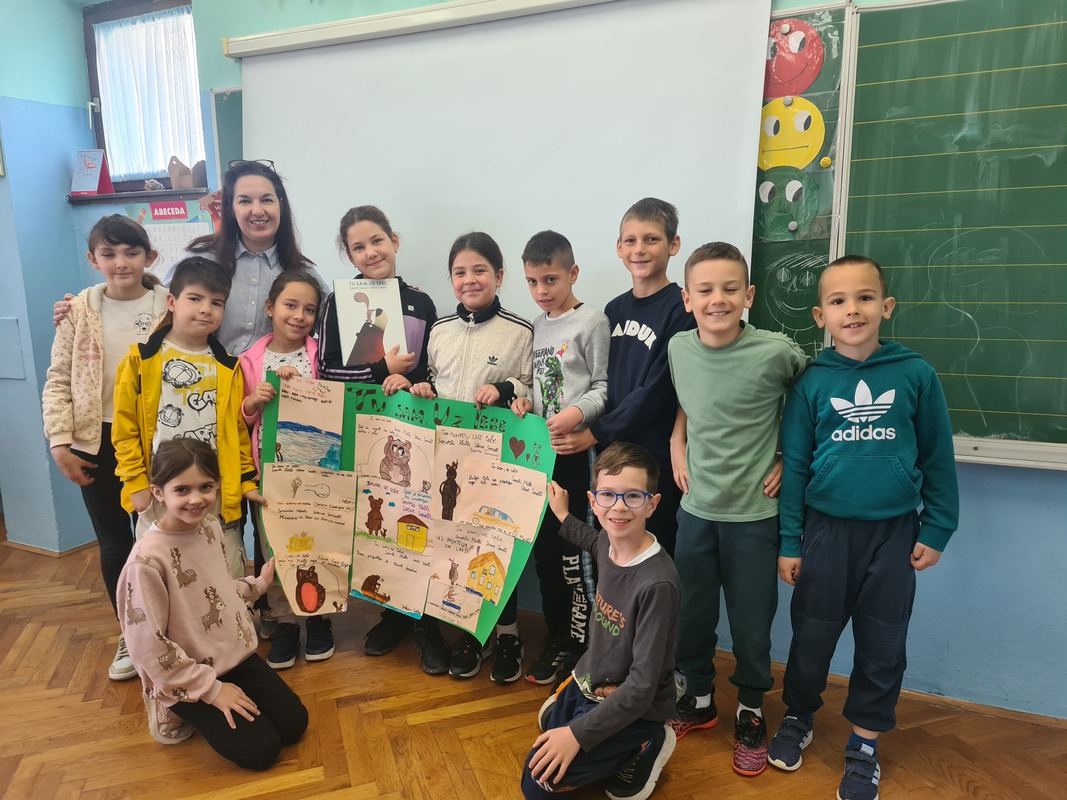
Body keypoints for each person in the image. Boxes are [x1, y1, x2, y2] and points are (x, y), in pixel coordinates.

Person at [767, 256, 958, 800]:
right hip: (825, 534)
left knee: (883, 643)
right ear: (820, 315)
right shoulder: (812, 382)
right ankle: (798, 715)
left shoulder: (915, 374)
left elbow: (938, 457)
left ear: (886, 306)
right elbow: (795, 468)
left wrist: (937, 528)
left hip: (895, 535)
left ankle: (865, 743)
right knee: (811, 636)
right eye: (838, 301)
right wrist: (789, 541)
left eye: (865, 297)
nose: (852, 310)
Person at [665, 242, 809, 777]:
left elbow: (811, 400)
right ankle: (698, 699)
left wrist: (787, 455)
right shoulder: (679, 347)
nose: (717, 299)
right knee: (691, 615)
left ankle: (750, 710)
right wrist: (677, 441)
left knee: (751, 625)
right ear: (687, 299)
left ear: (749, 295)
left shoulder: (776, 351)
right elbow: (692, 399)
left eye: (730, 289)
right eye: (704, 290)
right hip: (697, 510)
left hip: (754, 514)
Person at [117, 438, 308, 769]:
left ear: (217, 485)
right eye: (182, 490)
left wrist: (258, 585)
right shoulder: (145, 562)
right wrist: (212, 690)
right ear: (158, 492)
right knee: (262, 751)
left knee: (294, 724)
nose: (196, 499)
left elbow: (216, 590)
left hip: (230, 654)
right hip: (185, 673)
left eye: (205, 487)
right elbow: (148, 646)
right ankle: (169, 707)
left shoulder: (210, 527)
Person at [315, 205, 447, 674]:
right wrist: (380, 370)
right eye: (358, 247)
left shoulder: (421, 302)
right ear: (349, 255)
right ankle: (392, 613)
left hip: (413, 431)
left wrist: (414, 381)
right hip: (362, 432)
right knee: (378, 526)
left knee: (418, 522)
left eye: (377, 240)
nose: (370, 252)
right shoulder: (337, 301)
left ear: (395, 240)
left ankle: (426, 624)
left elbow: (432, 371)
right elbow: (326, 371)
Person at [41, 215, 170, 682]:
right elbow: (59, 377)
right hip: (95, 440)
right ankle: (130, 632)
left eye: (131, 252)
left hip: (158, 440)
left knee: (163, 537)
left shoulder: (169, 305)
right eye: (109, 254)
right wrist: (59, 443)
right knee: (116, 541)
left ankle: (172, 627)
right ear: (92, 259)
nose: (121, 263)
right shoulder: (78, 310)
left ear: (149, 257)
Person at [520, 442, 680, 800]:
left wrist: (577, 735)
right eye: (607, 495)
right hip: (594, 679)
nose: (618, 507)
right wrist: (562, 513)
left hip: (639, 702)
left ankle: (649, 742)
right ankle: (589, 724)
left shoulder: (657, 585)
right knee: (548, 727)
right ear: (593, 502)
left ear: (652, 504)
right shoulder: (609, 541)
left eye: (633, 496)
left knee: (538, 786)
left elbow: (641, 688)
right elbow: (591, 540)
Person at [410, 231, 533, 683]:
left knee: (496, 547)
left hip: (494, 463)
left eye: (480, 270)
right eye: (460, 272)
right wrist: (422, 388)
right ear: (451, 279)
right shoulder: (439, 330)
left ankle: (509, 635)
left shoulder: (521, 331)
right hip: (444, 460)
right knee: (452, 546)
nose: (470, 279)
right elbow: (431, 379)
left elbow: (531, 387)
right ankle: (470, 632)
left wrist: (505, 389)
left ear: (499, 275)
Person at [546, 198, 694, 557]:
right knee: (612, 555)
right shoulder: (613, 310)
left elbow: (658, 389)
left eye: (651, 239)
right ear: (619, 248)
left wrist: (596, 431)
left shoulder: (682, 308)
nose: (639, 249)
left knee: (652, 556)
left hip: (654, 462)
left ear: (673, 244)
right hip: (610, 460)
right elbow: (599, 381)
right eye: (630, 240)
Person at [112, 256, 263, 579]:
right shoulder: (140, 360)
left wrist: (246, 481)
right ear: (172, 302)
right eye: (195, 298)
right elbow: (124, 430)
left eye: (216, 303)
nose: (206, 309)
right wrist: (135, 482)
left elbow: (237, 432)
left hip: (215, 492)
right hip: (160, 492)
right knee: (163, 575)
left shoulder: (229, 367)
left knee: (226, 573)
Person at [510, 230, 608, 688]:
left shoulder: (593, 321)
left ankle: (584, 647)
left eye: (550, 279)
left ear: (573, 273)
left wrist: (577, 415)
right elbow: (539, 387)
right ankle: (557, 639)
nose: (541, 290)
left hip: (575, 458)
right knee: (547, 554)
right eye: (532, 282)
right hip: (540, 458)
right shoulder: (537, 325)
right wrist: (523, 402)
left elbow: (604, 388)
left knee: (578, 556)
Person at [239, 270, 336, 668]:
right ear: (270, 307)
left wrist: (305, 387)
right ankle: (284, 622)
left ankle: (319, 619)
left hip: (318, 474)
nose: (299, 316)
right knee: (274, 549)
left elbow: (335, 407)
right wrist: (253, 402)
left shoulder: (321, 354)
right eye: (290, 306)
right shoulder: (250, 360)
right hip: (269, 476)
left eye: (309, 309)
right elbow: (239, 419)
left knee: (317, 546)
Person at [184, 159, 326, 355]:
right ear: (231, 209)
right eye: (245, 201)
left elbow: (336, 330)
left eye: (267, 200)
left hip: (273, 374)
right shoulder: (201, 259)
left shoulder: (302, 272)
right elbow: (165, 315)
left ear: (280, 205)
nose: (258, 211)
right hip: (209, 372)